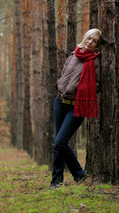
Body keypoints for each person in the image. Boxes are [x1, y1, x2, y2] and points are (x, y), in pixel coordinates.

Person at [50, 28, 101, 189]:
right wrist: (60, 84)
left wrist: (81, 90)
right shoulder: (74, 54)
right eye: (89, 38)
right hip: (60, 102)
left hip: (77, 106)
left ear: (96, 45)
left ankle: (79, 174)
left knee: (60, 142)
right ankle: (56, 182)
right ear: (85, 37)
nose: (90, 42)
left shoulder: (94, 61)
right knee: (59, 144)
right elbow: (65, 73)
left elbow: (98, 85)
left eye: (94, 41)